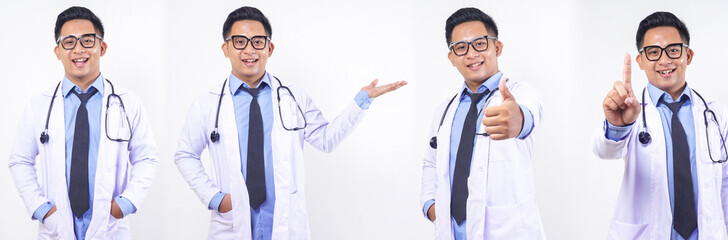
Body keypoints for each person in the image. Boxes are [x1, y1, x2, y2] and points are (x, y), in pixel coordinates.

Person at [174, 6, 406, 239]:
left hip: (284, 223)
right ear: (226, 48)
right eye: (239, 42)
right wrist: (216, 199)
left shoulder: (292, 97)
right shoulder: (206, 104)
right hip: (232, 223)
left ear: (270, 48)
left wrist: (362, 101)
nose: (249, 50)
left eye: (258, 42)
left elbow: (326, 139)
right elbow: (185, 154)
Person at [592, 11, 728, 239]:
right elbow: (603, 149)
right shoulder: (631, 112)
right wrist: (617, 126)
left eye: (673, 50)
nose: (664, 60)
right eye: (653, 52)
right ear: (641, 61)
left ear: (689, 55)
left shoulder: (716, 115)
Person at [8, 6, 160, 239]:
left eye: (87, 41)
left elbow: (147, 158)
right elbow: (19, 160)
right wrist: (42, 210)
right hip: (56, 228)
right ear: (58, 51)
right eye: (69, 42)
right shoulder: (38, 106)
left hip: (110, 227)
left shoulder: (128, 103)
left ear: (102, 47)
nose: (78, 49)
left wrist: (126, 203)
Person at [420, 7, 545, 239]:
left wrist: (517, 120)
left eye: (480, 43)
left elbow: (526, 117)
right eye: (461, 47)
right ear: (452, 58)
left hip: (507, 231)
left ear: (497, 47)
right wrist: (431, 206)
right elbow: (431, 162)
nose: (471, 54)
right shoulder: (444, 111)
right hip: (453, 232)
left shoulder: (521, 94)